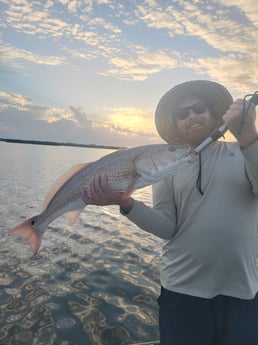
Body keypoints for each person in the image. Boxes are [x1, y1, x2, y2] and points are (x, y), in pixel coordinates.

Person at [81, 80, 258, 345]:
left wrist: (248, 137)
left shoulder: (244, 151)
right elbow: (167, 226)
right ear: (175, 125)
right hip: (181, 290)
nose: (192, 116)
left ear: (212, 113)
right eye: (182, 113)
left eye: (199, 107)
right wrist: (126, 204)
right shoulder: (166, 166)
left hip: (241, 291)